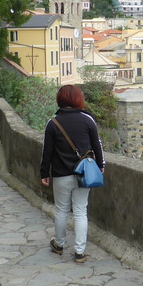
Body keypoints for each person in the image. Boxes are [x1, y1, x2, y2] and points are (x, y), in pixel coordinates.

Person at [39, 85, 105, 263]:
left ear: (60, 99)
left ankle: (59, 245)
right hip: (84, 173)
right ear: (78, 99)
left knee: (61, 210)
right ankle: (79, 251)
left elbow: (47, 151)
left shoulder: (53, 123)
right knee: (80, 211)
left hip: (61, 174)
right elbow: (97, 145)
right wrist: (101, 164)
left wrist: (44, 172)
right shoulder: (87, 120)